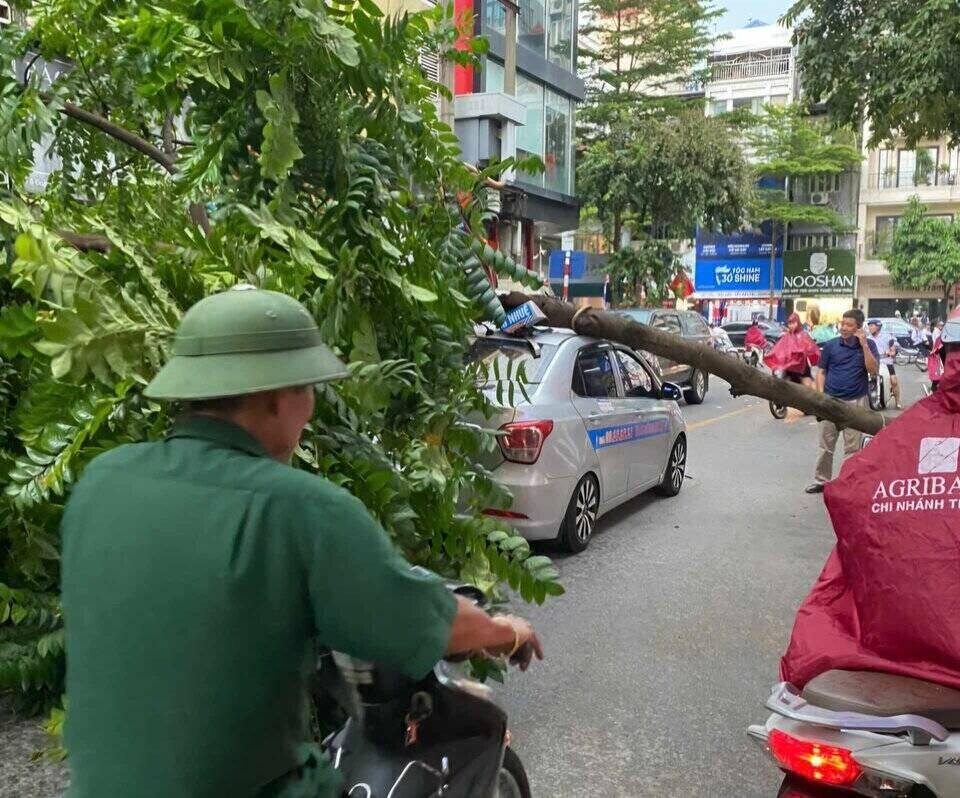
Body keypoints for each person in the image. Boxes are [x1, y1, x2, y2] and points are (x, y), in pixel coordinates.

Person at [61, 287, 543, 798]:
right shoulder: (301, 509)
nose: (311, 409)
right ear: (275, 396)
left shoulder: (101, 482)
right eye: (309, 388)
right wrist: (505, 632)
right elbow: (427, 622)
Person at [805, 309, 879, 493]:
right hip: (830, 400)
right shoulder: (831, 346)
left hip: (856, 402)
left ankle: (847, 482)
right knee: (825, 445)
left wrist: (864, 345)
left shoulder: (868, 345)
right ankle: (821, 480)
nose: (844, 328)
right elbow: (821, 372)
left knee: (852, 448)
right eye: (843, 323)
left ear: (858, 328)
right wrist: (820, 396)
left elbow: (873, 371)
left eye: (849, 325)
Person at [764, 312, 820, 389]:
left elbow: (812, 350)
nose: (791, 326)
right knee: (783, 390)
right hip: (788, 370)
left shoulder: (804, 336)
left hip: (803, 369)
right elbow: (778, 351)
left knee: (811, 389)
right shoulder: (786, 337)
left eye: (794, 323)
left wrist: (814, 360)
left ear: (798, 323)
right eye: (790, 323)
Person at [867, 318, 902, 409]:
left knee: (894, 381)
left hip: (886, 361)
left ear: (878, 327)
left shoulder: (888, 337)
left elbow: (893, 351)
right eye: (869, 326)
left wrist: (891, 353)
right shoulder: (868, 338)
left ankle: (897, 402)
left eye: (872, 326)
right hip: (874, 362)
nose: (869, 328)